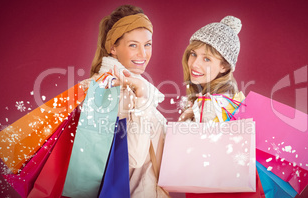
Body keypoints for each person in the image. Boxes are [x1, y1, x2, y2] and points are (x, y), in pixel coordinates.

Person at [80, 5, 168, 198]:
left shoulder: (129, 84)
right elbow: (132, 158)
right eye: (133, 45)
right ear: (112, 47)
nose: (143, 54)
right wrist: (142, 97)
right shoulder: (114, 89)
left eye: (147, 44)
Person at [178, 16, 244, 123]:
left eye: (207, 59)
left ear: (224, 66)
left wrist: (183, 119)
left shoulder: (211, 105)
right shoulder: (227, 99)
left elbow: (186, 140)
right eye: (193, 54)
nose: (195, 64)